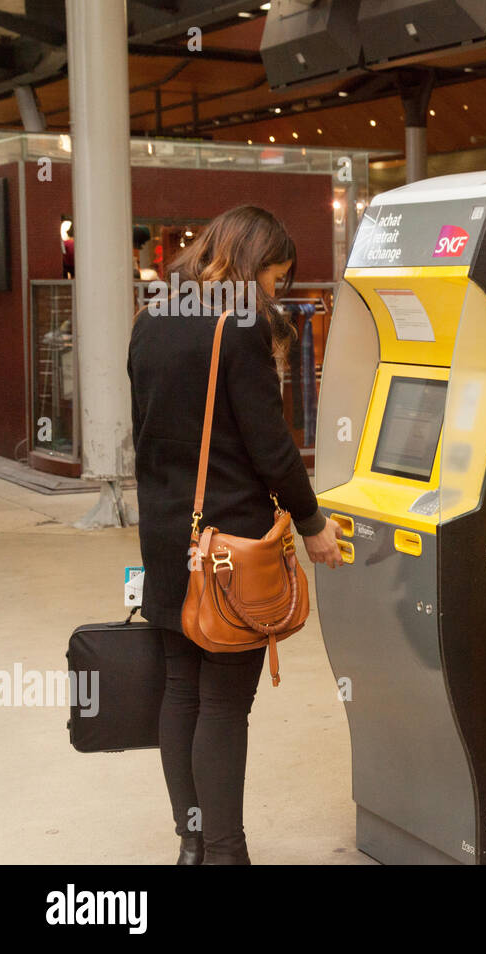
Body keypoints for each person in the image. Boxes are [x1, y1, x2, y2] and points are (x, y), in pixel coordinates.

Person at [127, 205, 344, 865]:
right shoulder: (239, 322)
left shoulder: (153, 315)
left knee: (180, 688)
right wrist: (313, 525)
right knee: (223, 702)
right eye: (277, 279)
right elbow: (271, 448)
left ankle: (193, 845)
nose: (276, 294)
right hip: (229, 547)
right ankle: (226, 853)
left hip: (168, 535)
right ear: (254, 265)